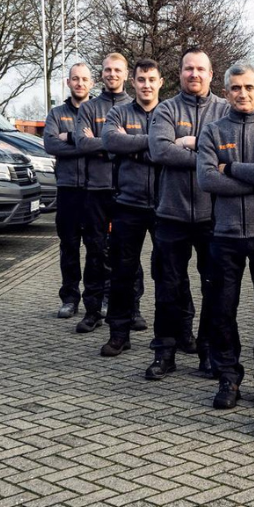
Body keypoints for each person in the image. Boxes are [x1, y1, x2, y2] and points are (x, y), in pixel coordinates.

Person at [146, 48, 229, 380]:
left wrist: (187, 143)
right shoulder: (166, 109)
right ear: (180, 73)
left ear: (211, 74)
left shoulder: (225, 110)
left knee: (215, 288)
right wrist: (209, 158)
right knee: (167, 287)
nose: (194, 74)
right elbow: (159, 150)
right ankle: (164, 352)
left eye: (200, 69)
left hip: (214, 216)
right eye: (188, 68)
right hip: (171, 214)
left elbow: (234, 152)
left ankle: (208, 352)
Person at [195, 62, 254, 410]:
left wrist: (231, 171)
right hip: (224, 234)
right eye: (235, 88)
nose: (243, 94)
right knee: (221, 310)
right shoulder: (213, 132)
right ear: (225, 92)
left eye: (249, 87)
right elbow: (207, 179)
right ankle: (228, 377)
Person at [100, 59, 163, 357]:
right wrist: (155, 144)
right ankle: (118, 334)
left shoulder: (169, 112)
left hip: (165, 205)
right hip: (127, 204)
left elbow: (172, 149)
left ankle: (175, 333)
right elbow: (111, 141)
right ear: (133, 82)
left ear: (160, 82)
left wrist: (133, 147)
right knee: (122, 272)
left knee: (168, 273)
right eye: (141, 79)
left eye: (151, 79)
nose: (146, 85)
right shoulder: (119, 112)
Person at [70, 52, 130, 333]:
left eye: (117, 70)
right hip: (95, 190)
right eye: (107, 70)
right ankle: (92, 311)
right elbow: (82, 143)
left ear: (125, 74)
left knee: (127, 254)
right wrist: (118, 142)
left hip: (127, 190)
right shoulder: (89, 108)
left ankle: (130, 310)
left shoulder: (134, 107)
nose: (112, 74)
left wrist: (102, 141)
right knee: (94, 252)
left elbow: (145, 144)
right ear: (102, 73)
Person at [42, 62, 104, 320]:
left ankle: (96, 298)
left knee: (96, 248)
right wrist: (86, 143)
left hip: (94, 190)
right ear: (68, 82)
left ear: (92, 83)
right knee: (69, 247)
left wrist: (69, 138)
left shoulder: (99, 112)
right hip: (68, 190)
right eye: (75, 78)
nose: (80, 83)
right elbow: (50, 144)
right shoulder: (57, 114)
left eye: (84, 79)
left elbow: (106, 144)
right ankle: (69, 298)